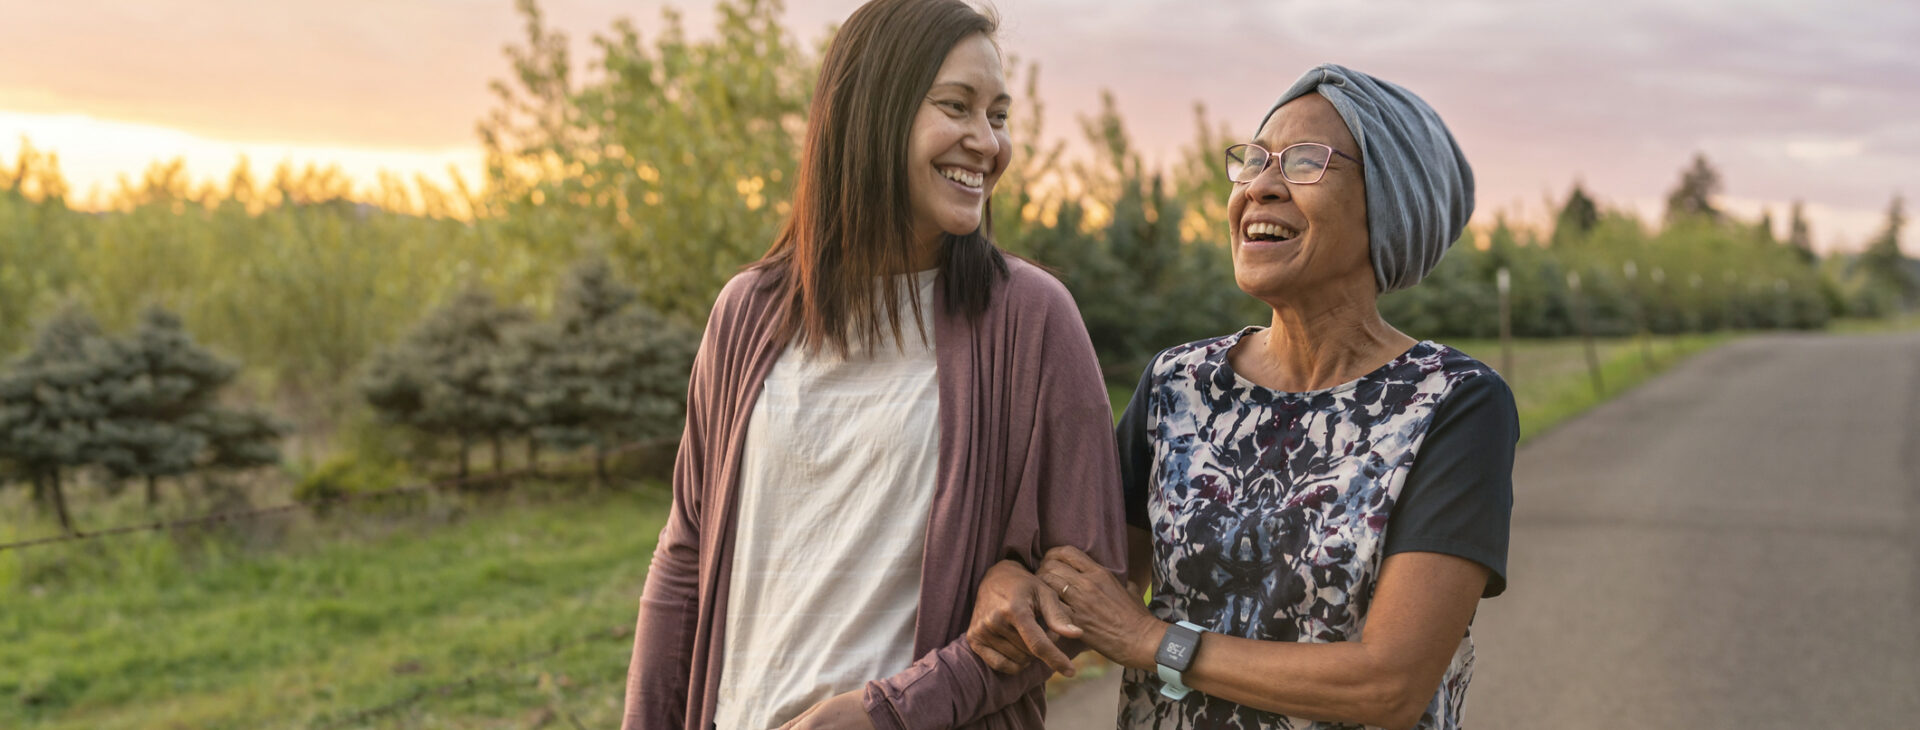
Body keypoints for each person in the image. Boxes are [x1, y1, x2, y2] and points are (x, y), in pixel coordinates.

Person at [619, 0, 1125, 728]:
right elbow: (684, 559)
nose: (987, 142)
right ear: (871, 111)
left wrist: (889, 713)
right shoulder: (747, 313)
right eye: (957, 107)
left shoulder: (1031, 319)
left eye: (1000, 116)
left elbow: (1086, 587)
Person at [966, 64, 1516, 730]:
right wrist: (1010, 580)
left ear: (1390, 204)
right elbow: (1089, 588)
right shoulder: (1178, 385)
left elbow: (1389, 684)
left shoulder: (1454, 404)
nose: (1260, 187)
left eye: (1305, 162)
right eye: (1254, 161)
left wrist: (1153, 642)